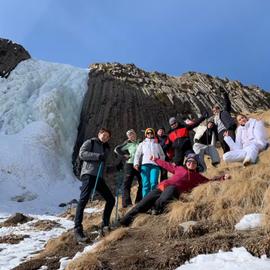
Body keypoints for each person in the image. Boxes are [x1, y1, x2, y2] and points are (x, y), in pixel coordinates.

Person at [120, 153, 230, 226]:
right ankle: (121, 224)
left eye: (193, 162)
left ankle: (155, 208)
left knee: (171, 190)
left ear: (196, 165)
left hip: (173, 191)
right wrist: (156, 159)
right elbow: (167, 165)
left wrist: (222, 178)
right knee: (140, 206)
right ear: (186, 163)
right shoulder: (180, 169)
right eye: (189, 162)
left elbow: (209, 181)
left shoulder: (198, 177)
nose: (191, 163)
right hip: (160, 188)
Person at [74, 128, 115, 243]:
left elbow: (103, 167)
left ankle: (105, 225)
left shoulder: (105, 148)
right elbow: (82, 154)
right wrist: (97, 156)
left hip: (99, 177)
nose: (105, 137)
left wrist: (116, 168)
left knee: (111, 200)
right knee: (83, 200)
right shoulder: (90, 142)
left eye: (107, 137)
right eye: (104, 135)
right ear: (99, 134)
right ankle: (77, 230)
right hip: (88, 174)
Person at [114, 129, 142, 208]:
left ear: (135, 134)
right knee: (127, 183)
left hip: (139, 164)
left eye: (132, 134)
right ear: (128, 137)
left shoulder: (140, 142)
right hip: (129, 164)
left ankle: (139, 201)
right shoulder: (127, 143)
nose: (131, 136)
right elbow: (116, 149)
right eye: (129, 135)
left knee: (142, 182)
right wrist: (125, 154)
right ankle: (126, 203)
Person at [134, 128, 165, 197]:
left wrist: (160, 161)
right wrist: (136, 163)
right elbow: (137, 154)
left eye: (151, 133)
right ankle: (145, 201)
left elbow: (162, 155)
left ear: (153, 134)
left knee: (154, 183)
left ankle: (154, 200)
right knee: (146, 184)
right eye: (148, 133)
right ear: (146, 134)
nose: (149, 134)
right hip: (144, 165)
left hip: (155, 165)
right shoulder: (142, 144)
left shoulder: (157, 144)